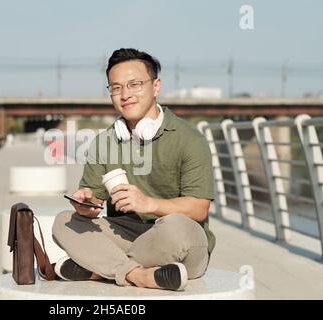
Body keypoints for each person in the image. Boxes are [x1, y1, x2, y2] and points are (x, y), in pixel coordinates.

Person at [52, 48, 215, 291]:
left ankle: (100, 269)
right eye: (116, 88)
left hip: (175, 238)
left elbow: (199, 208)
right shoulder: (104, 142)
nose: (125, 94)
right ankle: (140, 276)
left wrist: (149, 204)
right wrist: (86, 204)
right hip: (126, 235)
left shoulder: (189, 139)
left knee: (177, 229)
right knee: (64, 222)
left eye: (135, 84)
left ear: (156, 86)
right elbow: (94, 202)